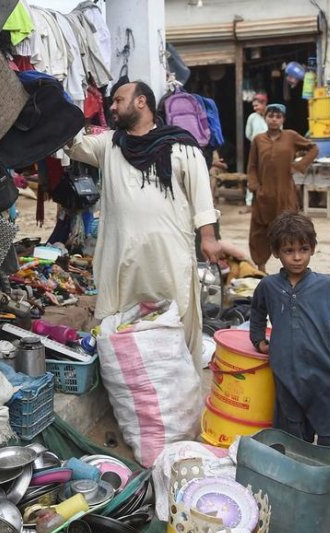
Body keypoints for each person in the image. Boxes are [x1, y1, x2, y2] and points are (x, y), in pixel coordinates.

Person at [66, 80, 221, 372]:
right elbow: (72, 144)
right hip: (123, 259)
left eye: (118, 100)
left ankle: (177, 376)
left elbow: (201, 191)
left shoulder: (180, 144)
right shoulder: (109, 144)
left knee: (175, 314)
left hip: (167, 256)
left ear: (141, 102)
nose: (112, 107)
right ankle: (133, 377)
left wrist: (208, 236)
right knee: (125, 321)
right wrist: (60, 107)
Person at [249, 212, 330, 531]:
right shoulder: (269, 287)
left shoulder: (326, 284)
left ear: (312, 249)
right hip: (287, 378)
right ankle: (300, 492)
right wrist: (259, 340)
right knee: (293, 438)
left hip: (325, 377)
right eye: (289, 251)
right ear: (276, 252)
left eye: (303, 249)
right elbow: (256, 312)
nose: (297, 256)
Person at [246, 103, 317, 272]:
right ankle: (261, 268)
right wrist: (255, 186)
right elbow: (252, 166)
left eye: (278, 116)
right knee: (259, 231)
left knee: (289, 229)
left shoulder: (291, 136)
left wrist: (299, 165)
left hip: (286, 193)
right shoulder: (258, 140)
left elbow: (313, 148)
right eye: (271, 116)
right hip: (264, 195)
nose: (274, 120)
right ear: (265, 118)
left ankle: (291, 267)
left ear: (283, 119)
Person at [243, 93, 269, 209]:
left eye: (257, 105)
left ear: (264, 104)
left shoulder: (271, 116)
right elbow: (248, 134)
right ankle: (249, 203)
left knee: (268, 173)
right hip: (256, 149)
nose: (255, 108)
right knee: (253, 173)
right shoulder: (252, 117)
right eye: (253, 106)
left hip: (270, 149)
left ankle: (266, 201)